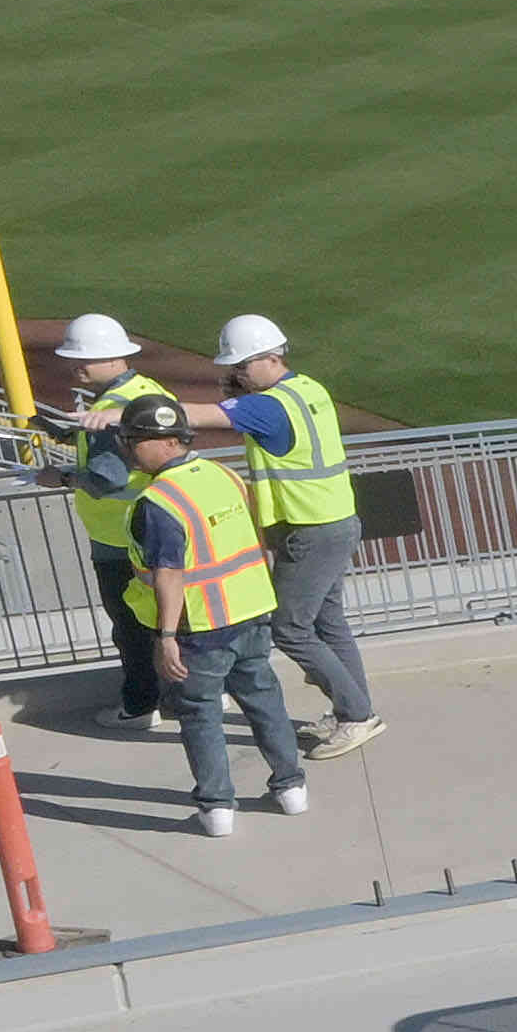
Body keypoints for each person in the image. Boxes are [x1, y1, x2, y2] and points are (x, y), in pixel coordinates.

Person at [103, 391, 312, 832]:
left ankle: (217, 807)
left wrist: (165, 638)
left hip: (199, 627)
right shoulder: (222, 475)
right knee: (265, 701)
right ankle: (291, 788)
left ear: (163, 442)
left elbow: (167, 573)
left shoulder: (158, 502)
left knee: (200, 716)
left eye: (132, 440)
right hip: (251, 612)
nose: (127, 449)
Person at [202, 315, 381, 752]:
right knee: (328, 620)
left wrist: (139, 413)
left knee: (290, 628)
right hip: (332, 520)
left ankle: (356, 714)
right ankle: (353, 711)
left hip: (309, 529)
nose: (236, 376)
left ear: (269, 358)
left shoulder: (266, 405)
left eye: (241, 367)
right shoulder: (309, 389)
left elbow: (202, 416)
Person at [40, 308, 171, 729]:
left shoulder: (107, 411)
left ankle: (138, 706)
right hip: (160, 528)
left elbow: (107, 479)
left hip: (118, 539)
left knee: (130, 627)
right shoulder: (147, 391)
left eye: (85, 359)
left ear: (114, 359)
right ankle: (202, 693)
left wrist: (58, 475)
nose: (75, 367)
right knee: (174, 617)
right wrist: (69, 434)